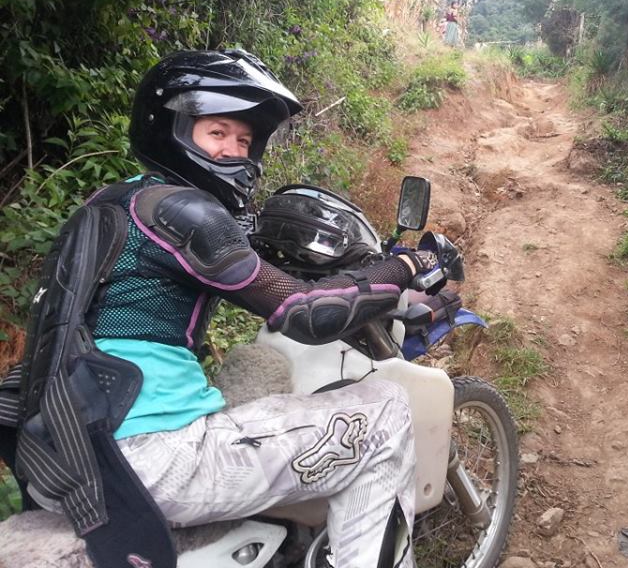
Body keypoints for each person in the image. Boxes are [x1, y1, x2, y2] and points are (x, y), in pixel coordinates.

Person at [7, 49, 443, 568]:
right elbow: (306, 313)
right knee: (387, 410)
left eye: (244, 140)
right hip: (152, 460)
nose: (233, 152)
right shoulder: (186, 210)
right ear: (173, 128)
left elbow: (236, 262)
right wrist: (407, 265)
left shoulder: (113, 206)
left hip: (64, 457)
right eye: (217, 133)